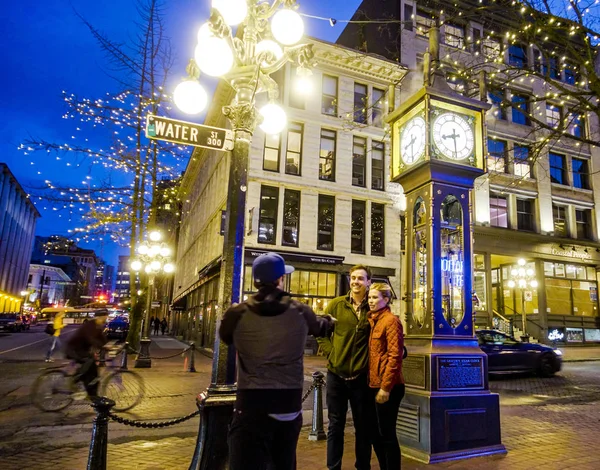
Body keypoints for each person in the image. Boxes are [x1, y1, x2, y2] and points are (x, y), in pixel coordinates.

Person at [219, 252, 334, 470]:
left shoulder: (237, 313)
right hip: (287, 401)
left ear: (255, 281)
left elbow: (226, 337)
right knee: (283, 460)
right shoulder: (300, 310)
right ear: (281, 279)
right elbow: (321, 327)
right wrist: (328, 320)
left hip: (251, 403)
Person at [316, 265, 373, 470]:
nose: (356, 281)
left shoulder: (373, 307)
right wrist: (332, 353)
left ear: (368, 282)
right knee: (335, 425)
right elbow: (321, 333)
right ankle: (334, 467)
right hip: (336, 376)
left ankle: (363, 466)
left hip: (361, 378)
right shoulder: (336, 305)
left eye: (360, 278)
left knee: (363, 427)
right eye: (353, 277)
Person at [367, 283, 405, 470]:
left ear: (386, 299)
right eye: (369, 297)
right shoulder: (374, 320)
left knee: (387, 433)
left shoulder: (391, 321)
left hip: (389, 386)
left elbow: (395, 355)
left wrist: (385, 387)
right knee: (376, 433)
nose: (371, 301)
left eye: (375, 298)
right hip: (374, 383)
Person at [63, 312, 108, 398]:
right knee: (89, 360)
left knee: (94, 373)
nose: (105, 319)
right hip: (74, 349)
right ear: (99, 317)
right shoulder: (90, 325)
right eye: (104, 318)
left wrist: (108, 346)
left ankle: (93, 395)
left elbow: (102, 338)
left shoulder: (98, 326)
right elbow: (90, 339)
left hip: (82, 350)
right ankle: (75, 378)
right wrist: (102, 346)